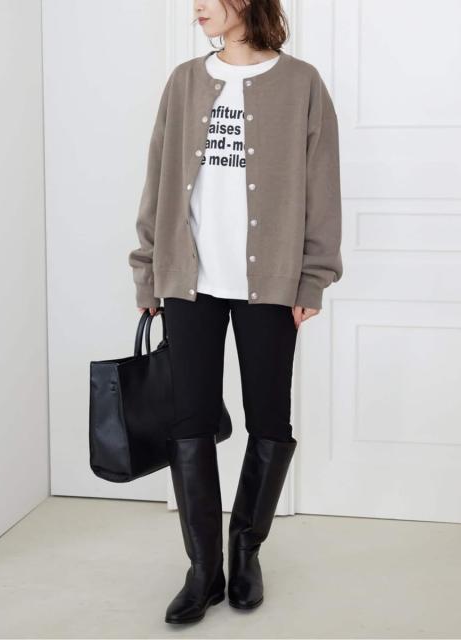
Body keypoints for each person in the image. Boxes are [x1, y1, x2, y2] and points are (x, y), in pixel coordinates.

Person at [128, 0, 343, 625]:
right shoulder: (184, 81)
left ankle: (245, 550)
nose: (196, 6)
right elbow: (158, 179)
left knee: (269, 417)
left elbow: (322, 186)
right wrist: (148, 270)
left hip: (269, 282)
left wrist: (313, 277)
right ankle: (204, 570)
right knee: (189, 422)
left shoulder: (301, 83)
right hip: (188, 281)